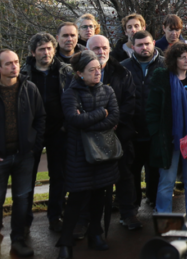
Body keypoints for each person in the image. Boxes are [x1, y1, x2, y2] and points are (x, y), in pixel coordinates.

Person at [57, 52, 119, 258]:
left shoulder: (108, 91)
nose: (97, 73)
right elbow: (74, 120)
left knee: (99, 197)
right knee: (75, 200)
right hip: (79, 155)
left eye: (98, 69)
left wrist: (89, 120)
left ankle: (96, 234)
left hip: (103, 153)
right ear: (79, 73)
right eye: (91, 70)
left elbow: (115, 118)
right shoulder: (70, 93)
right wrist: (101, 113)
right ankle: (65, 243)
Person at [87, 35, 141, 231]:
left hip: (120, 133)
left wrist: (114, 122)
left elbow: (129, 100)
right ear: (87, 51)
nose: (101, 52)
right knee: (92, 179)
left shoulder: (122, 72)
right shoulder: (79, 74)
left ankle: (128, 213)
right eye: (96, 48)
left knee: (125, 175)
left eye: (104, 48)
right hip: (90, 135)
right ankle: (87, 220)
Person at [146, 42, 187, 222]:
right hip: (169, 139)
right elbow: (152, 109)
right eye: (182, 57)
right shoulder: (162, 77)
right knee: (167, 181)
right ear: (174, 59)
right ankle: (164, 219)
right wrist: (157, 133)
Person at [24, 33, 74, 234]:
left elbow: (72, 99)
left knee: (59, 176)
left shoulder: (65, 71)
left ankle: (55, 216)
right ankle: (24, 221)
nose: (46, 52)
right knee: (27, 178)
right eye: (41, 49)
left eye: (49, 48)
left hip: (58, 131)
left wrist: (66, 126)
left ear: (54, 50)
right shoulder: (24, 74)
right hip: (31, 133)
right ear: (33, 52)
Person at [0, 49, 45, 257]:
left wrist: (34, 147)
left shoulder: (29, 88)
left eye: (16, 62)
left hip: (24, 155)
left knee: (22, 199)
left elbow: (40, 118)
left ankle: (17, 239)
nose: (14, 66)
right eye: (8, 63)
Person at [122, 30, 164, 212]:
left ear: (154, 43)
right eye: (139, 45)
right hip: (133, 130)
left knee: (155, 171)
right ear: (133, 46)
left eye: (147, 43)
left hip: (156, 130)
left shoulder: (164, 66)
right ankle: (132, 209)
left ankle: (155, 202)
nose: (144, 47)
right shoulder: (123, 67)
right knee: (131, 172)